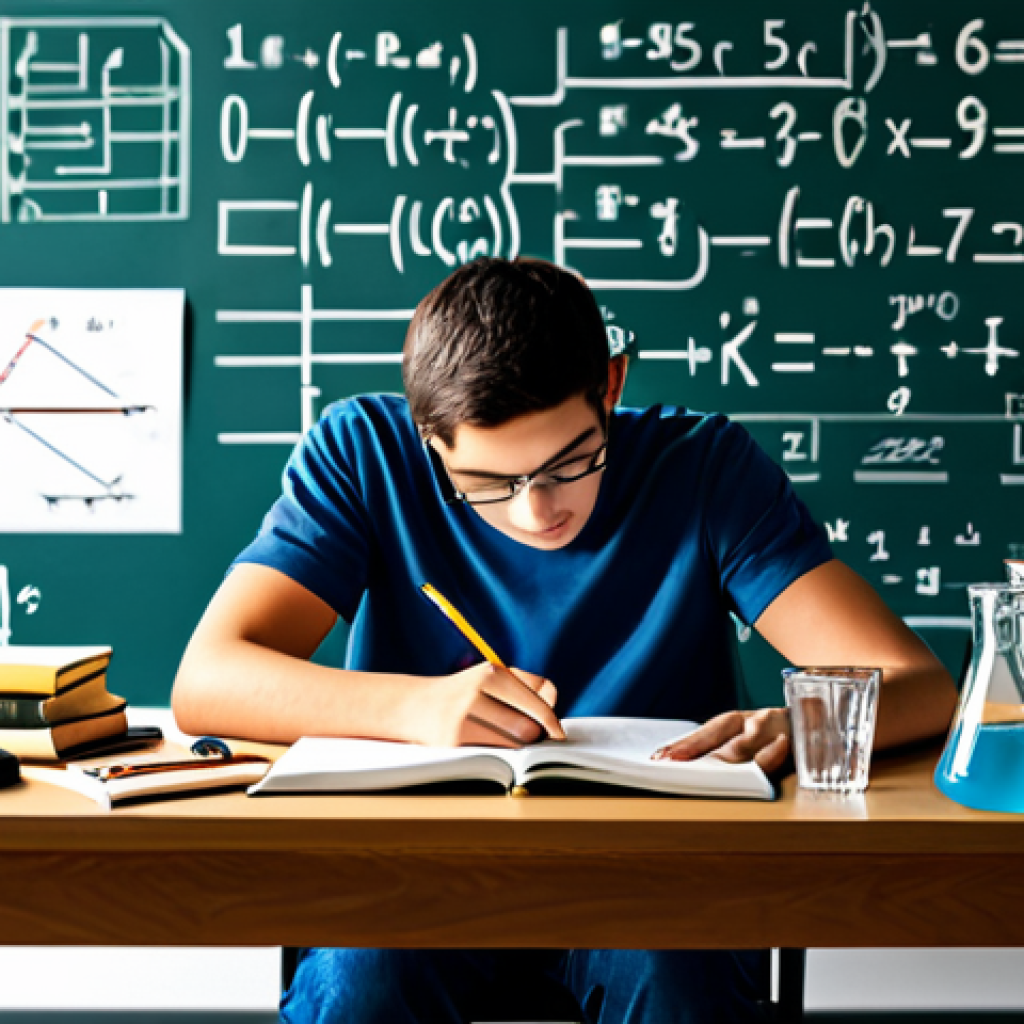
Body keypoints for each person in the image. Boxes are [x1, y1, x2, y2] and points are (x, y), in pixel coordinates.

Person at [172, 257, 957, 1024]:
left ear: (609, 386)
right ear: (429, 441)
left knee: (679, 983)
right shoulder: (362, 454)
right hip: (410, 871)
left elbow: (919, 685)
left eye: (570, 461)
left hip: (655, 880)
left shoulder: (703, 468)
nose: (534, 512)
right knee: (362, 986)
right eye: (485, 481)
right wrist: (418, 709)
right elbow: (208, 679)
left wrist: (800, 724)